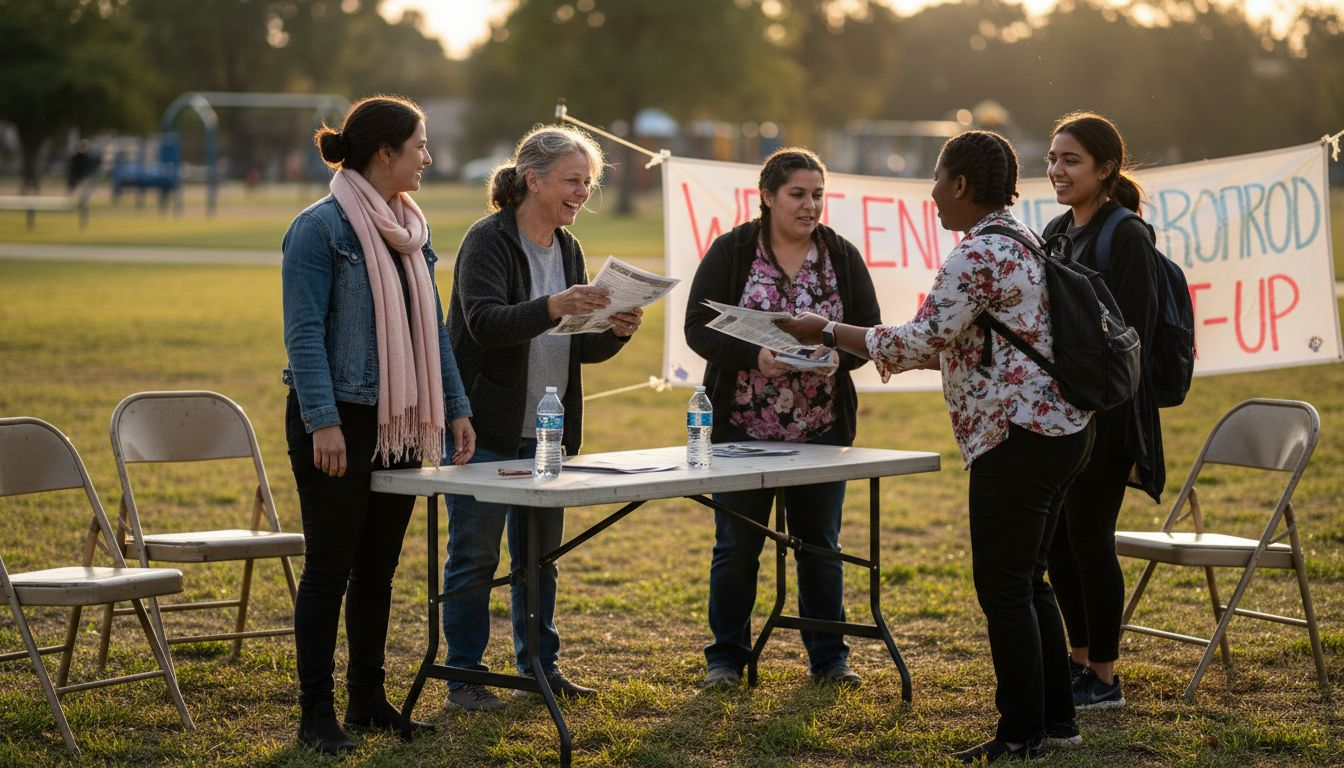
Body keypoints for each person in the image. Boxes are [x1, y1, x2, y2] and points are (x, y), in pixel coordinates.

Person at [776, 131, 1095, 763]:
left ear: (960, 186)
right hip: (1059, 428)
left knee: (1004, 585)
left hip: (1018, 435)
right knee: (1030, 579)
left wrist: (828, 330)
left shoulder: (977, 254)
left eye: (936, 178)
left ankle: (1020, 732)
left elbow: (920, 342)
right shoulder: (1021, 236)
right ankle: (1056, 721)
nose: (930, 193)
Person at [281, 95, 476, 754]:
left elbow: (435, 337)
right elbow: (304, 334)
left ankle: (366, 701)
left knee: (378, 572)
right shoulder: (321, 228)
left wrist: (456, 407)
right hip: (338, 418)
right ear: (384, 152)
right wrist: (322, 422)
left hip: (401, 421)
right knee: (330, 568)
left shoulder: (411, 232)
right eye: (420, 145)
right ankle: (316, 715)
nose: (428, 156)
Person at [440, 124, 643, 711]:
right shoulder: (489, 240)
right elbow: (485, 323)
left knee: (539, 560)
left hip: (549, 434)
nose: (583, 192)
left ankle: (540, 668)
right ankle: (465, 676)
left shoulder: (569, 248)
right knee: (473, 555)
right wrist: (555, 304)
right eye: (572, 181)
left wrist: (616, 330)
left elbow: (577, 346)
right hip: (482, 427)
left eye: (589, 182)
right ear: (533, 179)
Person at [684, 147, 881, 690]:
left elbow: (868, 331)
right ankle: (726, 658)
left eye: (817, 194)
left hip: (822, 430)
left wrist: (841, 356)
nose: (810, 205)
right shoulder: (732, 251)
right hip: (741, 430)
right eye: (797, 194)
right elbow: (697, 329)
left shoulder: (840, 255)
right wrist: (754, 357)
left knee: (820, 545)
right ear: (767, 197)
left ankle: (829, 657)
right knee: (735, 547)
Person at [1043, 112, 1164, 710]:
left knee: (1090, 540)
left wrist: (1097, 412)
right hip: (1059, 414)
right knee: (1059, 544)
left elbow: (1132, 340)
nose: (1057, 170)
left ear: (1106, 169)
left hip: (1109, 417)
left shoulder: (1128, 236)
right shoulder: (1055, 230)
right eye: (1053, 158)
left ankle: (1107, 680)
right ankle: (1080, 661)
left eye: (1071, 160)